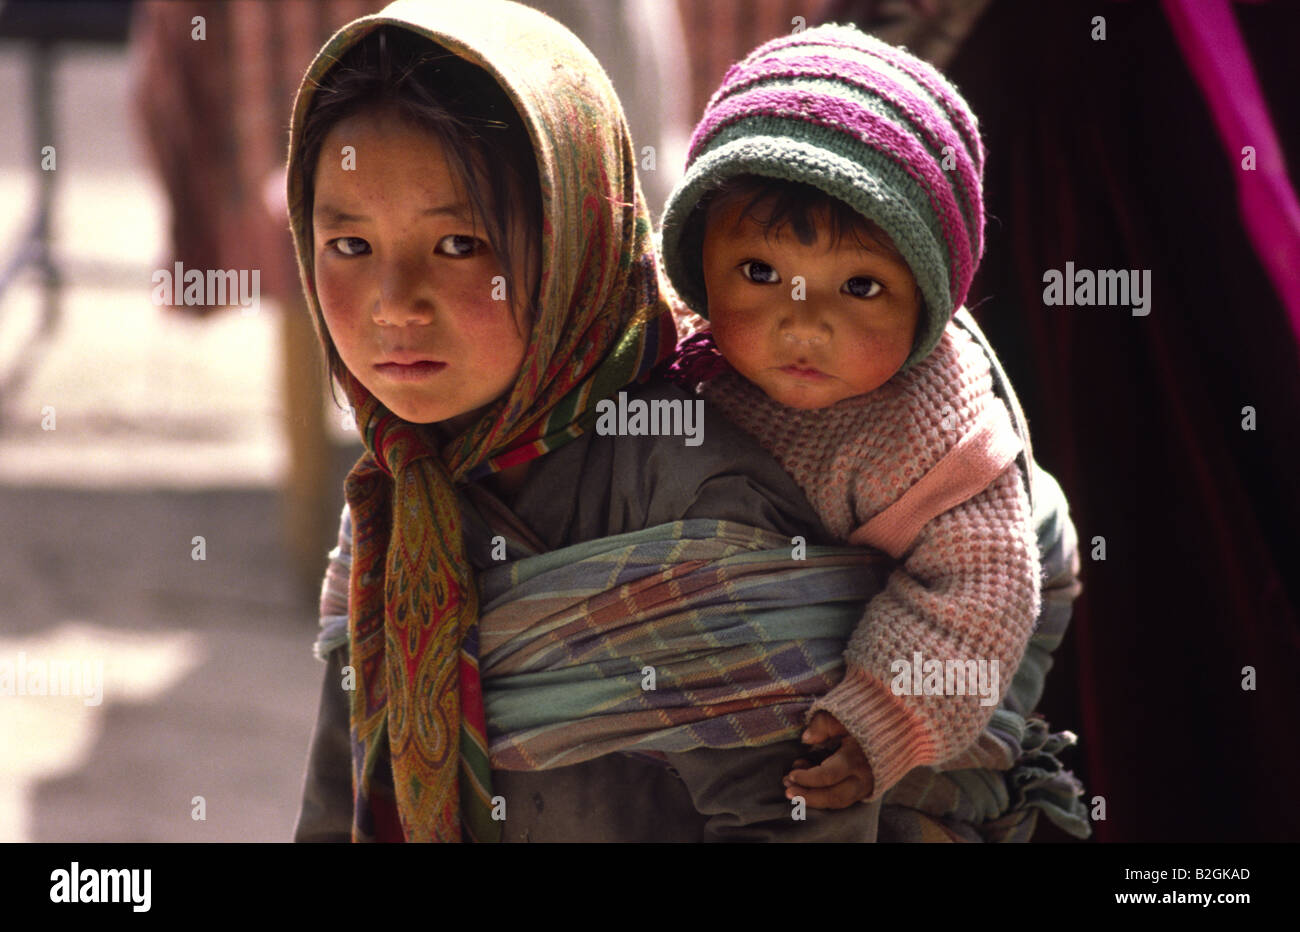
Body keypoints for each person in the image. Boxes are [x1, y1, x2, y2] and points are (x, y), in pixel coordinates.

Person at [289, 0, 1087, 843]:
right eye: (349, 246)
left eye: (459, 247)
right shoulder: (397, 489)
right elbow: (340, 786)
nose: (393, 307)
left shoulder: (699, 493)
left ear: (576, 237)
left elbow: (801, 816)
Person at [657, 23, 1086, 830]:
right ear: (695, 257)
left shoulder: (934, 436)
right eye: (759, 273)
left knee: (934, 790)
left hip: (1014, 596)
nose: (802, 324)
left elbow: (979, 596)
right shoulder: (672, 338)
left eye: (858, 287)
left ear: (929, 299)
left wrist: (879, 720)